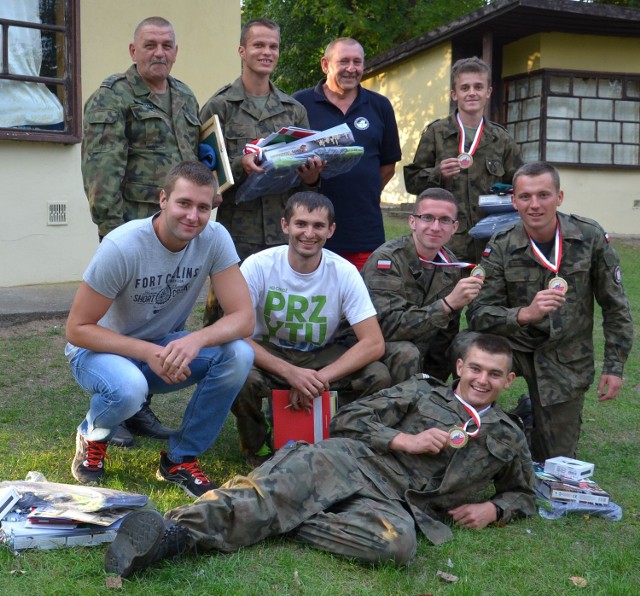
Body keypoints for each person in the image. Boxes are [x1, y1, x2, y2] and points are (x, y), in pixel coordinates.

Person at [104, 333, 536, 578]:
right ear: (460, 368)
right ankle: (170, 537)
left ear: (509, 380)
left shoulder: (509, 436)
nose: (483, 380)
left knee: (397, 547)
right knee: (269, 495)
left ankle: (285, 516)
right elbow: (348, 420)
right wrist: (402, 440)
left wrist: (493, 508)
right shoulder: (422, 390)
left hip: (398, 504)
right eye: (476, 369)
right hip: (355, 460)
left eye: (495, 374)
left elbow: (524, 494)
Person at [66, 161, 255, 497]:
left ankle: (180, 459)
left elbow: (243, 317)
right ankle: (92, 435)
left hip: (161, 347)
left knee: (239, 353)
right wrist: (148, 352)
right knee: (128, 388)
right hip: (97, 351)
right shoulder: (122, 246)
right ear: (163, 199)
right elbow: (78, 329)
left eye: (203, 207)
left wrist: (196, 340)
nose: (193, 216)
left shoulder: (214, 239)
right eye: (184, 203)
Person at [81, 16, 202, 445]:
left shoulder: (185, 96)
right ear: (134, 51)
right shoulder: (112, 97)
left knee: (160, 321)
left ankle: (138, 405)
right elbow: (100, 174)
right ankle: (110, 405)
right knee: (117, 326)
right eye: (150, 45)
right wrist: (114, 236)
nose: (159, 53)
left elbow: (195, 163)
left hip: (175, 237)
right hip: (132, 232)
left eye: (167, 45)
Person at [466, 161, 633, 462]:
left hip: (564, 356)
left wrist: (614, 367)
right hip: (514, 347)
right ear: (514, 200)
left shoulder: (589, 236)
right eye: (525, 197)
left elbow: (615, 306)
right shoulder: (501, 245)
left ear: (559, 197)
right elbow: (478, 313)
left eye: (543, 195)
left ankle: (526, 418)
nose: (534, 205)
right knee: (465, 346)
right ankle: (470, 420)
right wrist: (523, 314)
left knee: (553, 460)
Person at [235, 192, 390, 466]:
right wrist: (291, 374)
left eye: (318, 226)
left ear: (331, 230)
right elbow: (236, 333)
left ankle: (347, 438)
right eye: (301, 224)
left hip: (320, 355)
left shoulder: (344, 272)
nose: (309, 233)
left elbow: (373, 343)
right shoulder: (258, 265)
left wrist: (318, 380)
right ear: (285, 225)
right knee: (236, 371)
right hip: (270, 353)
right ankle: (256, 447)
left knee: (377, 374)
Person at [199, 18, 322, 262]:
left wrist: (311, 178)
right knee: (231, 300)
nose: (267, 52)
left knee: (279, 300)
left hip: (284, 231)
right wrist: (240, 164)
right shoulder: (220, 106)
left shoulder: (294, 110)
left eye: (273, 46)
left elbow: (306, 183)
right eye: (258, 45)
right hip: (236, 233)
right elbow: (200, 169)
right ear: (242, 51)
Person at [294, 38, 401, 270]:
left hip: (364, 229)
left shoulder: (380, 106)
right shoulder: (299, 104)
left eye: (357, 62)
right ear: (325, 65)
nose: (351, 68)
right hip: (311, 229)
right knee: (317, 300)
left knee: (361, 301)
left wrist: (363, 190)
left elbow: (388, 165)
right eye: (343, 61)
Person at [404, 57, 522, 265]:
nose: (472, 93)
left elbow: (520, 187)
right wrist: (437, 174)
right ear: (454, 94)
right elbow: (412, 182)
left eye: (478, 87)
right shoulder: (436, 133)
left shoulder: (502, 139)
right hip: (446, 243)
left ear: (488, 92)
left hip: (492, 241)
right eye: (464, 87)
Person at [361, 188, 483, 385]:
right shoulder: (387, 261)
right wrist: (445, 305)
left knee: (464, 344)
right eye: (427, 218)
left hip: (419, 344)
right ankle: (402, 407)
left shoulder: (450, 265)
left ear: (454, 227)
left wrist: (432, 383)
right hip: (374, 346)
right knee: (407, 352)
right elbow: (385, 328)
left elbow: (446, 333)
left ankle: (447, 404)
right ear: (412, 222)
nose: (435, 227)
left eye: (444, 220)